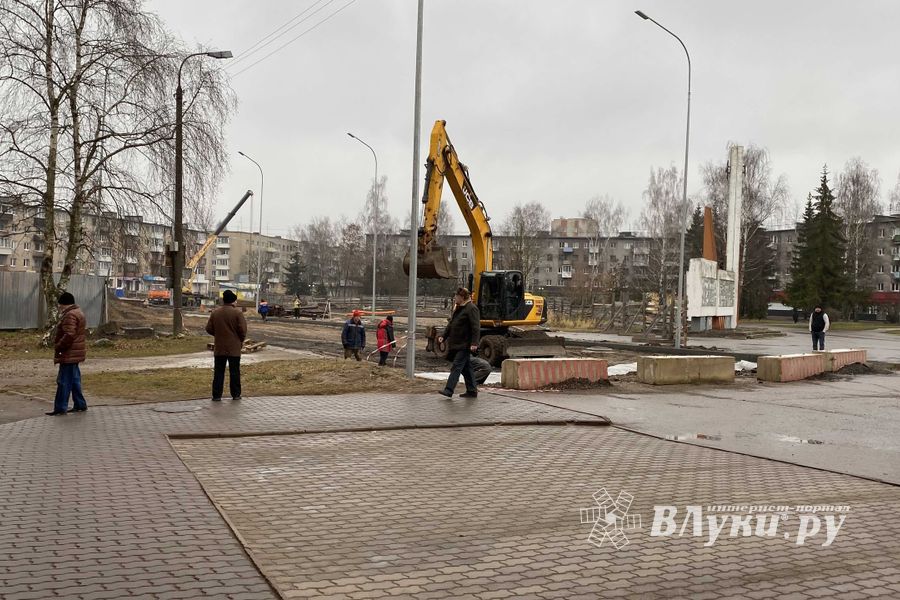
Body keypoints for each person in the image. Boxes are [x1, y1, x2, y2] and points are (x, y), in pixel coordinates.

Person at [48, 292, 88, 416]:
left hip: (69, 353)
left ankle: (60, 407)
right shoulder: (78, 312)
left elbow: (69, 334)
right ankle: (80, 404)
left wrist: (59, 345)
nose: (59, 307)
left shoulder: (69, 315)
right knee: (75, 380)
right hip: (76, 352)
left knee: (63, 381)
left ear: (63, 304)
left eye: (60, 304)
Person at [437, 287, 480, 398]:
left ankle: (449, 390)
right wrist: (443, 336)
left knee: (456, 366)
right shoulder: (460, 308)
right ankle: (472, 391)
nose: (455, 298)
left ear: (462, 297)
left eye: (457, 296)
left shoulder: (471, 308)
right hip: (458, 343)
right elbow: (452, 324)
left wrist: (474, 343)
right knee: (466, 368)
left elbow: (475, 327)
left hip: (465, 344)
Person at [206, 290, 247, 401]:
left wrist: (218, 334)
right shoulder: (237, 313)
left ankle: (216, 395)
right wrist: (240, 340)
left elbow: (208, 328)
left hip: (219, 347)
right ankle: (236, 394)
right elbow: (242, 330)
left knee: (219, 372)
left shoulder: (215, 312)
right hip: (234, 348)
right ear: (233, 301)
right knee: (234, 372)